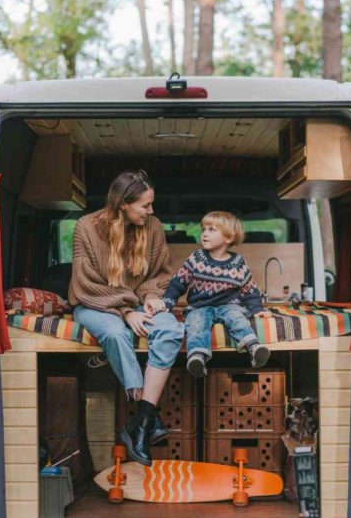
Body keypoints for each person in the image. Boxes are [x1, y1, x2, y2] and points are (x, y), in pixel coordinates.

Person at [68, 170, 184, 466]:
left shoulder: (153, 227)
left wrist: (151, 298)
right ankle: (145, 421)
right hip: (95, 303)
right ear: (122, 203)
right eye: (145, 205)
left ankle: (141, 421)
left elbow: (160, 273)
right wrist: (126, 311)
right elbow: (86, 284)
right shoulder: (86, 227)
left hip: (138, 302)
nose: (151, 211)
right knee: (117, 334)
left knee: (170, 330)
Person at [162, 211, 271, 378]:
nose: (204, 234)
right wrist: (167, 303)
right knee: (196, 322)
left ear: (227, 238)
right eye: (203, 229)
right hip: (200, 306)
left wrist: (257, 309)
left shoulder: (238, 263)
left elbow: (249, 289)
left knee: (237, 318)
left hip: (229, 305)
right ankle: (197, 356)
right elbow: (178, 282)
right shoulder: (197, 258)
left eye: (211, 230)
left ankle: (254, 348)